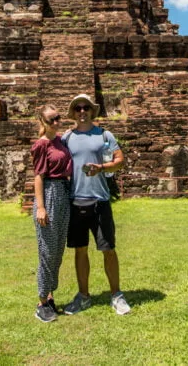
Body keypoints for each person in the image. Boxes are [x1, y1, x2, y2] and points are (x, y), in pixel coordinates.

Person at [61, 93, 131, 315]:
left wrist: (102, 168)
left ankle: (116, 295)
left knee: (108, 249)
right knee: (80, 250)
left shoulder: (104, 135)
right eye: (78, 108)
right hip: (76, 200)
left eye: (86, 108)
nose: (82, 112)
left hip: (99, 199)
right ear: (73, 113)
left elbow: (119, 161)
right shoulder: (66, 137)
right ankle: (83, 296)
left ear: (92, 111)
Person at [31, 105, 72, 323]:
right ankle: (41, 302)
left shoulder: (60, 141)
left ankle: (50, 295)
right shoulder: (41, 145)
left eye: (58, 117)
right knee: (47, 250)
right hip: (48, 194)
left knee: (57, 249)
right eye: (52, 119)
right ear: (44, 123)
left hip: (63, 193)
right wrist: (41, 207)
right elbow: (38, 176)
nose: (57, 122)